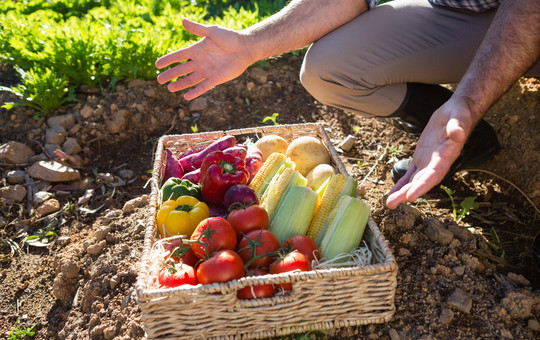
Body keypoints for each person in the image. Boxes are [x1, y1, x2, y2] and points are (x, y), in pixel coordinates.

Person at [155, 0, 540, 210]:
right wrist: (250, 44)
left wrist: (469, 100)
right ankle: (465, 137)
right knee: (327, 68)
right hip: (468, 9)